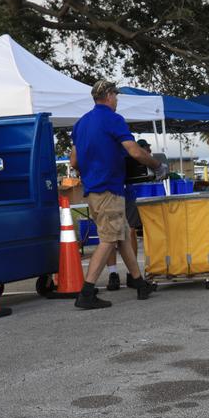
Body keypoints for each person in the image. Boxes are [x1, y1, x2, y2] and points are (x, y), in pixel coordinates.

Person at [69, 80, 161, 309]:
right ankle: (87, 292)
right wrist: (157, 165)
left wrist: (91, 172)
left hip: (93, 190)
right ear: (109, 96)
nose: (117, 100)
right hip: (109, 187)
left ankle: (140, 284)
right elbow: (133, 150)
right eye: (116, 96)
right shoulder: (113, 119)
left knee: (120, 237)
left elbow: (74, 161)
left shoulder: (80, 124)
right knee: (109, 239)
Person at [103, 139, 152, 291]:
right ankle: (114, 274)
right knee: (110, 235)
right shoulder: (108, 146)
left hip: (125, 192)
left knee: (128, 232)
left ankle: (131, 273)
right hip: (111, 193)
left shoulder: (122, 145)